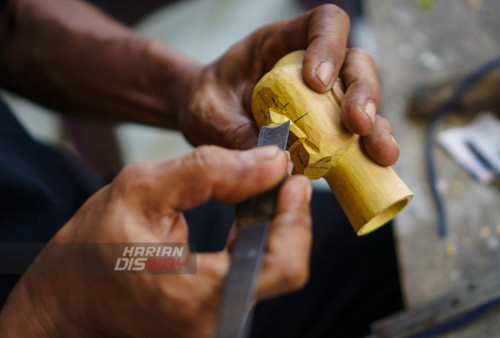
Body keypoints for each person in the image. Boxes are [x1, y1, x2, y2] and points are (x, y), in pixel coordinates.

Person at [0, 0, 401, 336]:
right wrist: (48, 313)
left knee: (386, 260)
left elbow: (9, 22)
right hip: (48, 292)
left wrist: (189, 87)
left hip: (111, 241)